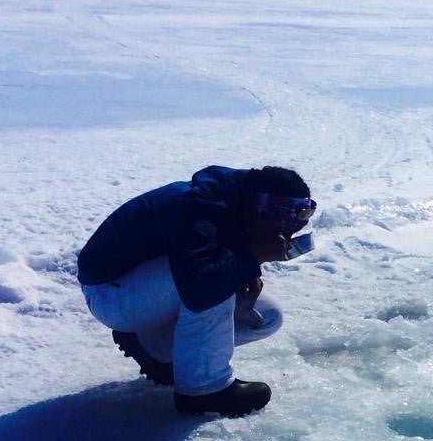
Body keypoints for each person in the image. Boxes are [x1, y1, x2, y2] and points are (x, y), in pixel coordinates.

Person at [77, 165, 316, 417]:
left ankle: (156, 348)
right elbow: (200, 285)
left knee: (266, 317)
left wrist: (244, 285)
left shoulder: (237, 204)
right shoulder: (196, 206)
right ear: (259, 210)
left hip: (149, 288)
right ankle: (204, 390)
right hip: (110, 294)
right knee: (213, 281)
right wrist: (252, 256)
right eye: (278, 231)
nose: (282, 239)